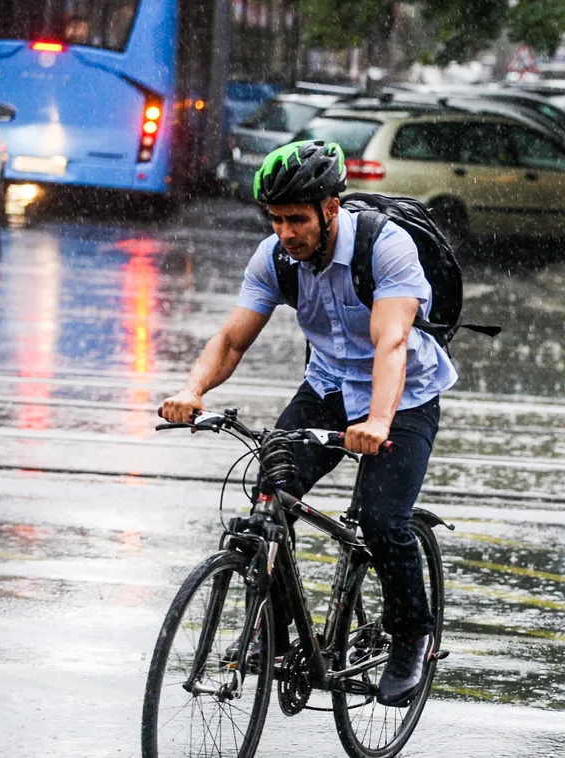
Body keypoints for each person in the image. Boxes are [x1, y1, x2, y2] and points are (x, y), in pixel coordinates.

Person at [158, 140, 455, 707]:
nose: (286, 232)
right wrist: (191, 390)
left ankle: (412, 634)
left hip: (404, 395)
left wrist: (378, 422)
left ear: (331, 209)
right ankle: (272, 633)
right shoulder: (274, 258)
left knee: (380, 517)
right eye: (276, 219)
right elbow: (230, 339)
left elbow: (391, 341)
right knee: (270, 493)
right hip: (327, 388)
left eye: (297, 219)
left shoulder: (384, 248)